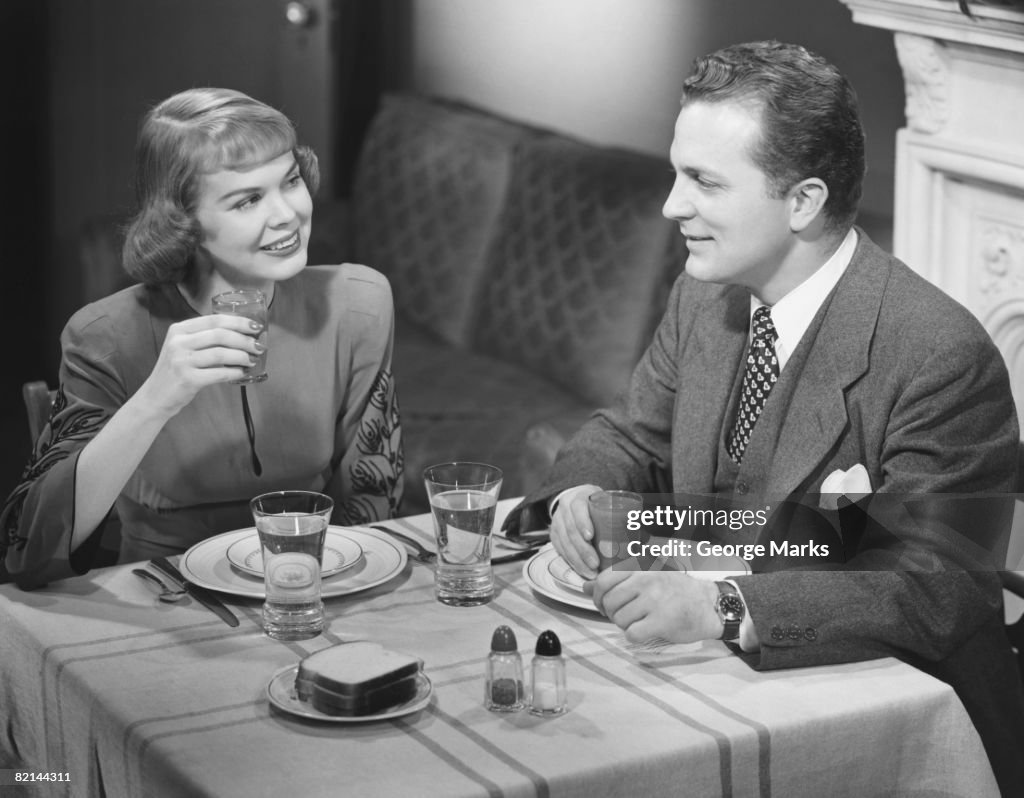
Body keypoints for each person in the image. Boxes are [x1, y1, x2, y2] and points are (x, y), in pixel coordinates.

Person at [504, 42, 1024, 794]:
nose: (670, 205)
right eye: (677, 172)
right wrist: (582, 495)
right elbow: (632, 433)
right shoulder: (704, 298)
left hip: (894, 721)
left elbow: (936, 585)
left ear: (803, 202)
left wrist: (719, 604)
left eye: (704, 182)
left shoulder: (939, 352)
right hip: (715, 684)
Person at [1, 88, 403, 587]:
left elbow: (372, 507)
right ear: (182, 222)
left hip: (316, 581)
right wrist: (156, 399)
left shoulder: (359, 303)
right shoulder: (104, 335)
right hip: (167, 596)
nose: (287, 214)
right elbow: (30, 556)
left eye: (291, 180)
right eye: (248, 199)